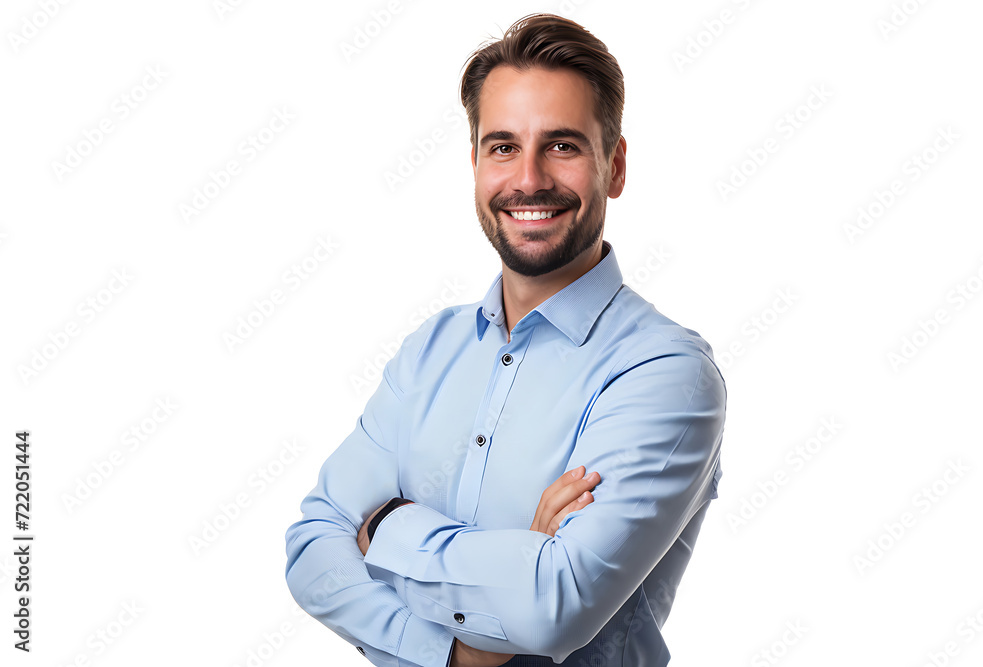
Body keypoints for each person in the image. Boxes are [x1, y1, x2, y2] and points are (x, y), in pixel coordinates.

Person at [285, 13, 726, 667]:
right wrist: (458, 647)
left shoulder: (665, 374)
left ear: (614, 166)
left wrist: (384, 527)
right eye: (502, 147)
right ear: (475, 164)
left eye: (562, 145)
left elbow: (552, 608)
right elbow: (312, 549)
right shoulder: (431, 350)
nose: (528, 179)